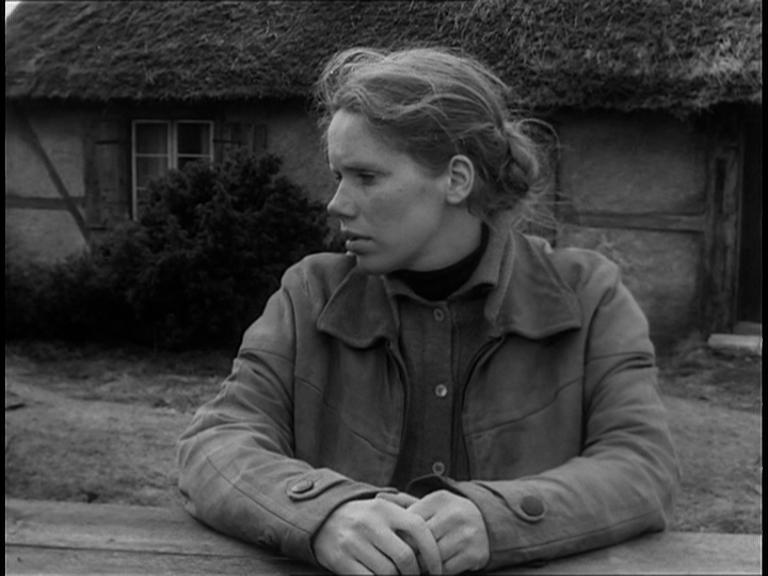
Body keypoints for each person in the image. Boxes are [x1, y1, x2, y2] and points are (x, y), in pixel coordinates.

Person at [177, 46, 679, 575]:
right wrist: (324, 512)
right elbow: (214, 444)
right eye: (338, 176)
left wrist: (494, 518)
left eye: (366, 177)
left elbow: (642, 467)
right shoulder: (309, 295)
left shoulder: (590, 296)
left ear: (456, 180)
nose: (336, 203)